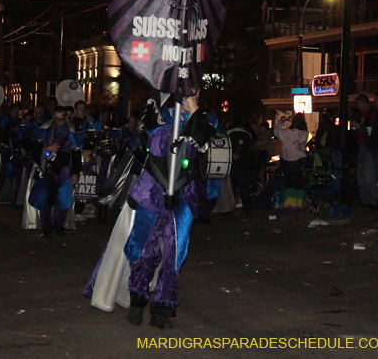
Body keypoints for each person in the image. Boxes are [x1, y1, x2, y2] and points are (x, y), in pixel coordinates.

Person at [84, 91, 217, 329]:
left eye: (195, 92)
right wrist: (170, 89)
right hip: (151, 192)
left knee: (174, 253)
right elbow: (150, 123)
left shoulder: (205, 119)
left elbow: (202, 135)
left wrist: (190, 104)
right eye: (188, 90)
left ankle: (163, 306)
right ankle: (137, 300)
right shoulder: (159, 113)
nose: (192, 94)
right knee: (144, 249)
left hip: (183, 194)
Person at [28, 106, 80, 238]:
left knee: (63, 200)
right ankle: (46, 229)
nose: (59, 122)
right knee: (46, 200)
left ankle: (59, 227)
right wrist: (47, 148)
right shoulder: (45, 131)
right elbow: (33, 148)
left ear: (66, 117)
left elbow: (76, 154)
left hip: (64, 170)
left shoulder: (71, 133)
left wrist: (75, 172)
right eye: (57, 119)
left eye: (62, 119)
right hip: (48, 170)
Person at [353, 94, 377, 208]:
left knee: (368, 174)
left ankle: (371, 200)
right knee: (361, 174)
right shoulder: (362, 115)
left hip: (369, 147)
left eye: (359, 105)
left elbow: (370, 130)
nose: (358, 107)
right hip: (362, 145)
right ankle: (365, 199)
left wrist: (358, 127)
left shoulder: (372, 114)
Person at [274, 113, 308, 190]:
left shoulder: (289, 133)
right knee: (299, 182)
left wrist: (281, 122)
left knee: (291, 183)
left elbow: (277, 131)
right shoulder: (305, 132)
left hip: (291, 159)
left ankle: (291, 196)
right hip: (302, 157)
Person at [228, 117, 254, 215]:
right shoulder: (248, 135)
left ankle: (230, 207)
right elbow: (250, 149)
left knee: (231, 186)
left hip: (232, 164)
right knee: (244, 187)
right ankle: (247, 208)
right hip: (244, 164)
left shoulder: (229, 133)